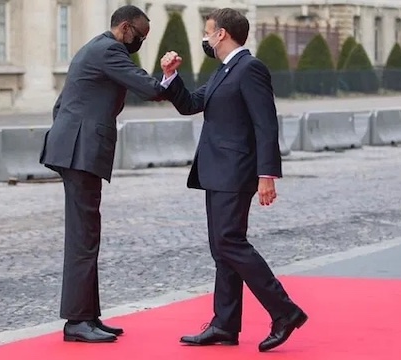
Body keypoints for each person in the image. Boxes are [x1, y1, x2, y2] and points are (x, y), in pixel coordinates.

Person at [159, 8, 307, 352]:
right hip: (216, 170)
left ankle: (284, 311)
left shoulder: (249, 68)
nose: (206, 38)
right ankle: (224, 324)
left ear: (221, 34)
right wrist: (170, 78)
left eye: (208, 32)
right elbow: (192, 104)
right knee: (221, 249)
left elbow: (265, 123)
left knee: (230, 242)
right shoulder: (225, 71)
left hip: (236, 171)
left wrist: (266, 174)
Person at [39, 5, 178, 343]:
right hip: (80, 150)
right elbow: (149, 88)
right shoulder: (110, 50)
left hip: (76, 147)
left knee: (88, 233)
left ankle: (88, 315)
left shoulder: (95, 47)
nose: (141, 43)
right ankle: (77, 321)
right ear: (126, 28)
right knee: (83, 237)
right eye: (141, 36)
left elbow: (62, 105)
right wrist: (167, 74)